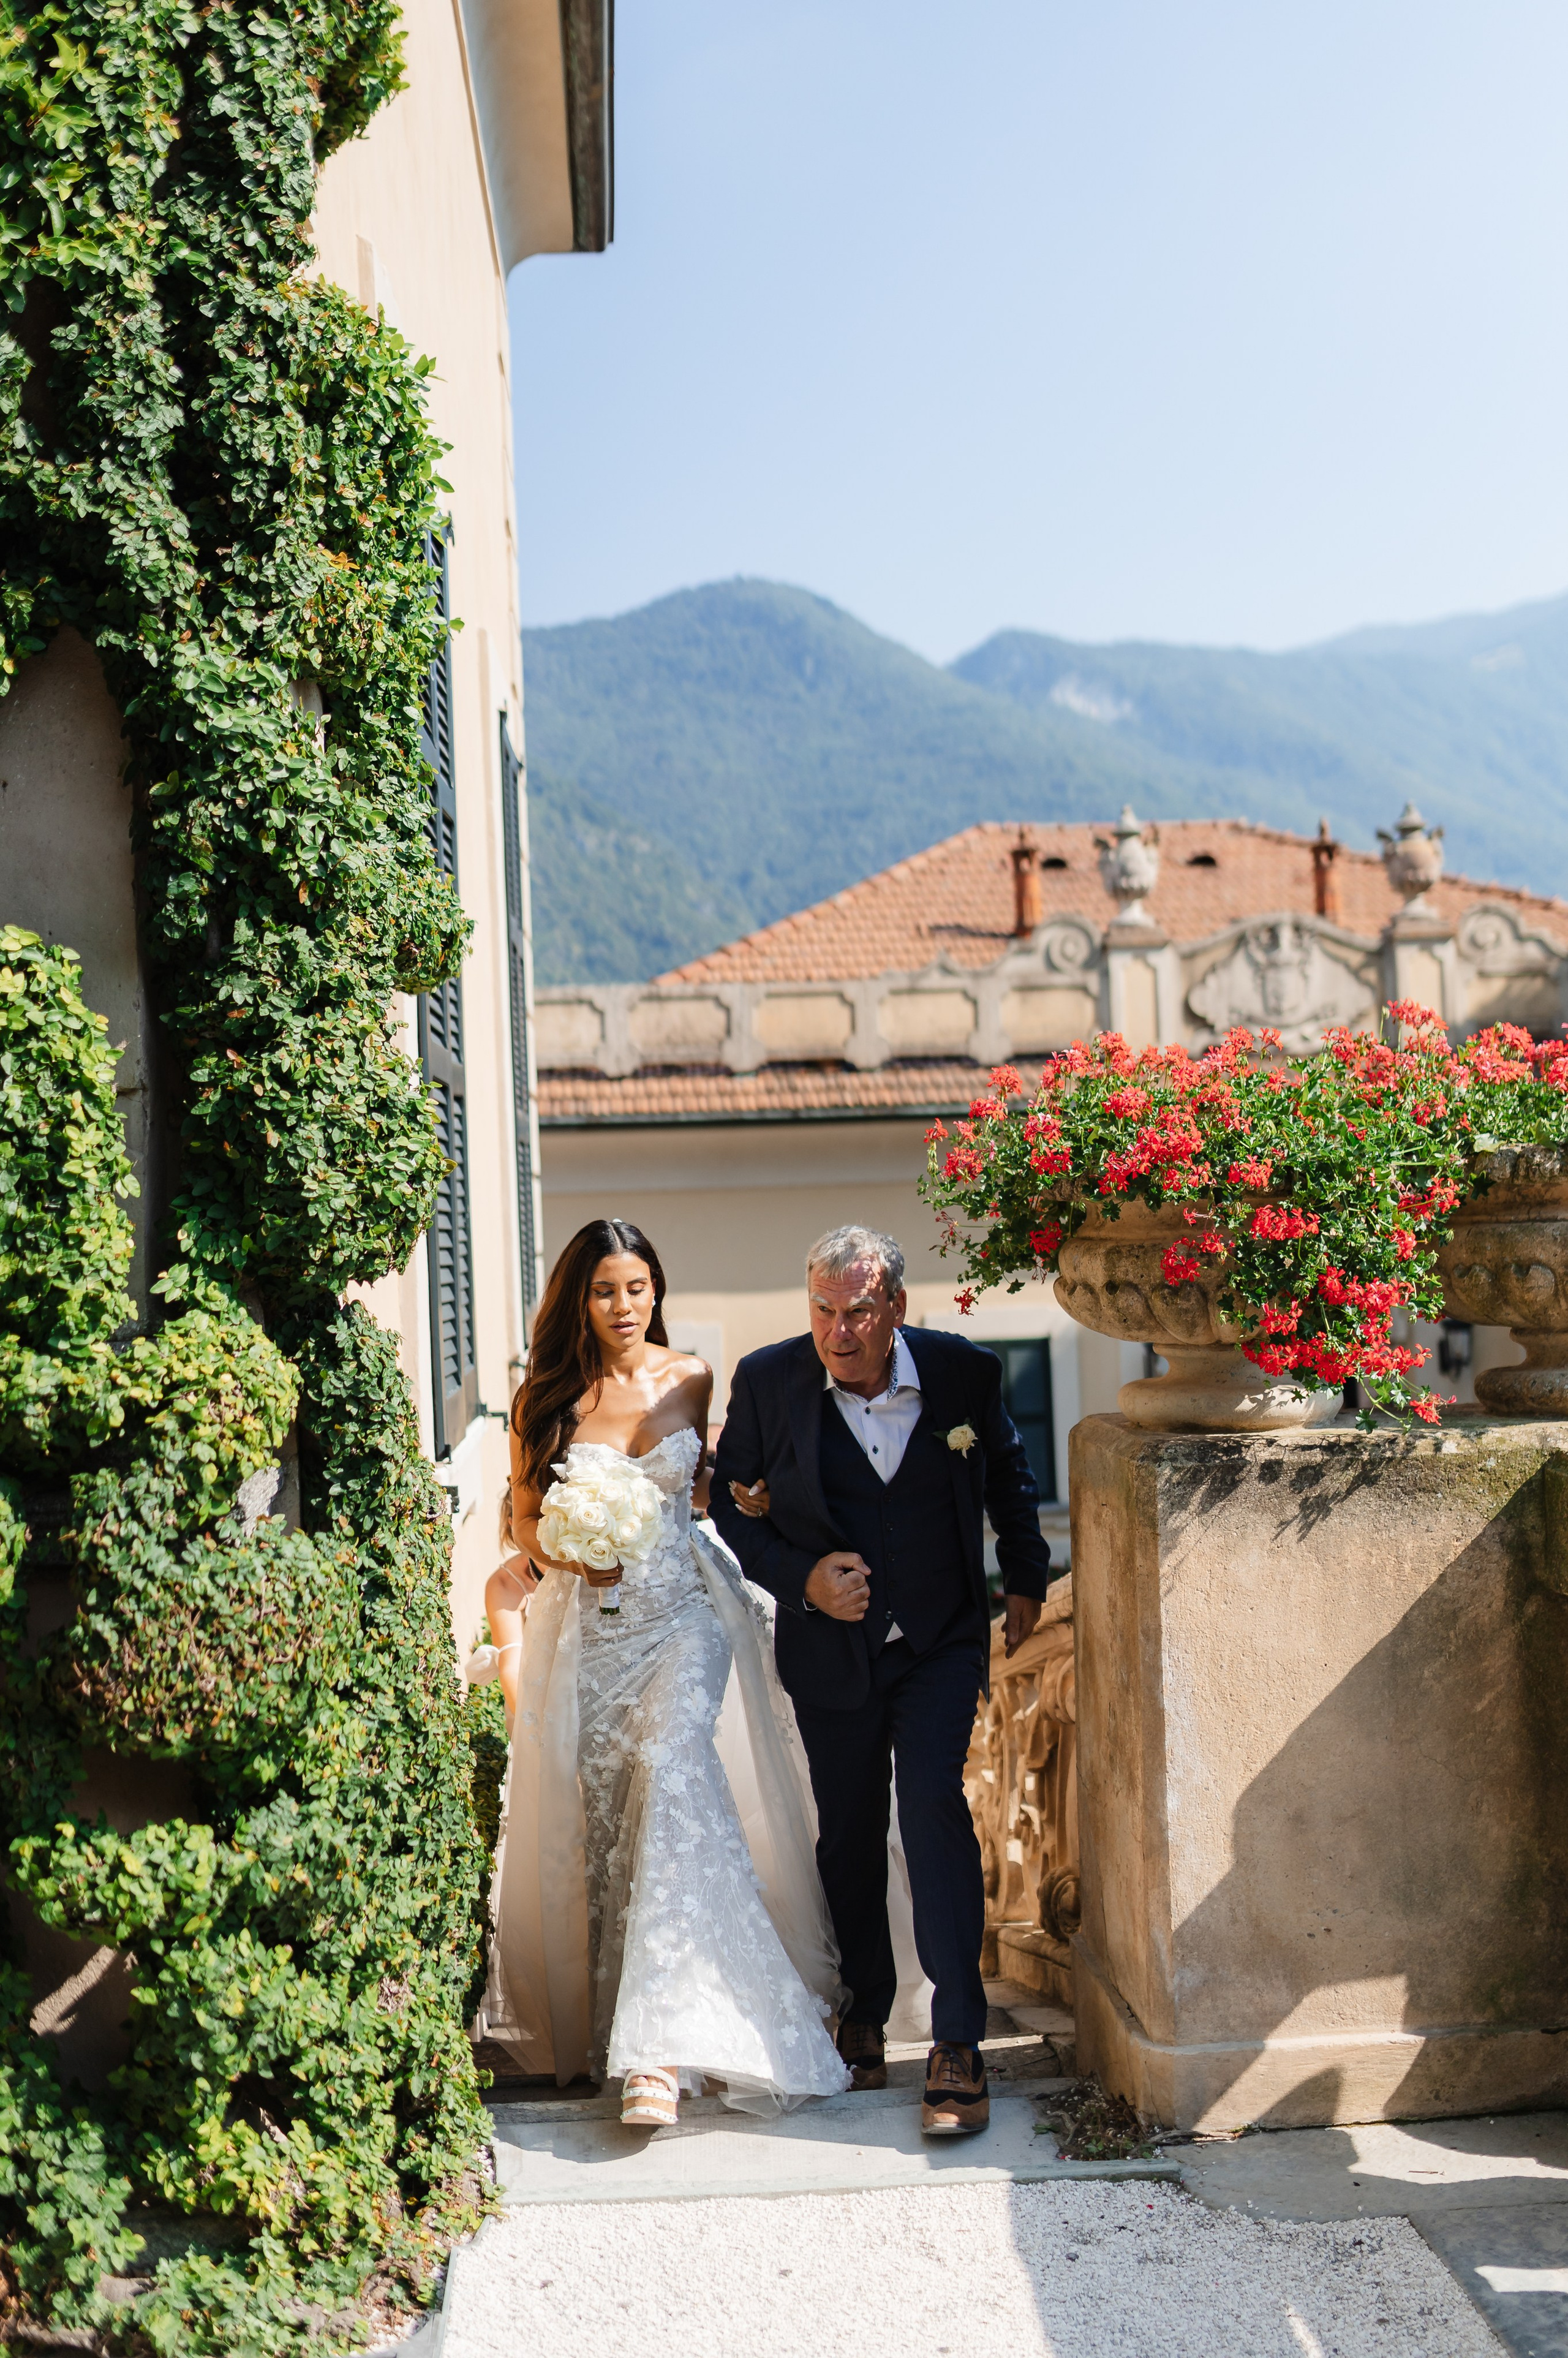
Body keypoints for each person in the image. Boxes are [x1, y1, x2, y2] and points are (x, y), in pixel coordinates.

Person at [477, 1216, 850, 2128]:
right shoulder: (546, 1399)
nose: (623, 1305)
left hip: (686, 1613)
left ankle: (662, 2053)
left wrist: (746, 1494)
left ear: (656, 1289)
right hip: (594, 1628)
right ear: (580, 1299)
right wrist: (570, 1549)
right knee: (608, 1811)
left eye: (637, 1287)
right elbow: (525, 1519)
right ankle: (623, 2022)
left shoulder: (691, 1376)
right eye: (605, 1290)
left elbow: (701, 1490)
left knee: (673, 1764)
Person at [710, 1223, 1052, 2137]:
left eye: (857, 1310)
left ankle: (956, 2041)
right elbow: (728, 1507)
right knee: (850, 1831)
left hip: (940, 1636)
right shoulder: (768, 1381)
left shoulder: (964, 1376)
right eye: (822, 1309)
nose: (837, 1330)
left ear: (895, 1306)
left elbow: (1011, 1478)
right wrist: (803, 1575)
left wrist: (1024, 1576)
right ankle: (863, 2006)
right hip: (831, 1646)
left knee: (933, 1804)